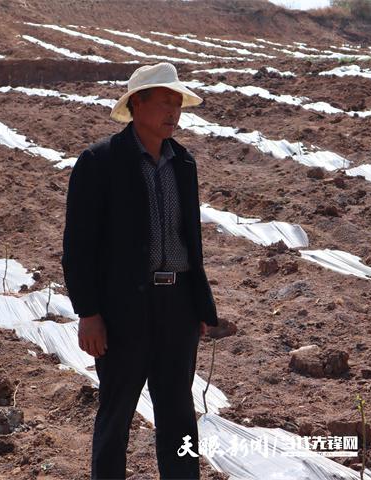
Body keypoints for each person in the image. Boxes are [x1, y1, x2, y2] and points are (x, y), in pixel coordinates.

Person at [62, 62, 218, 480]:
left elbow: (191, 241)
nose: (174, 111)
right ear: (136, 104)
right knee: (116, 414)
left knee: (179, 414)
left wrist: (199, 306)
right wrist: (89, 313)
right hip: (122, 309)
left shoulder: (183, 162)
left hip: (177, 306)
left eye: (178, 103)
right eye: (165, 101)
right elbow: (78, 247)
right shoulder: (99, 162)